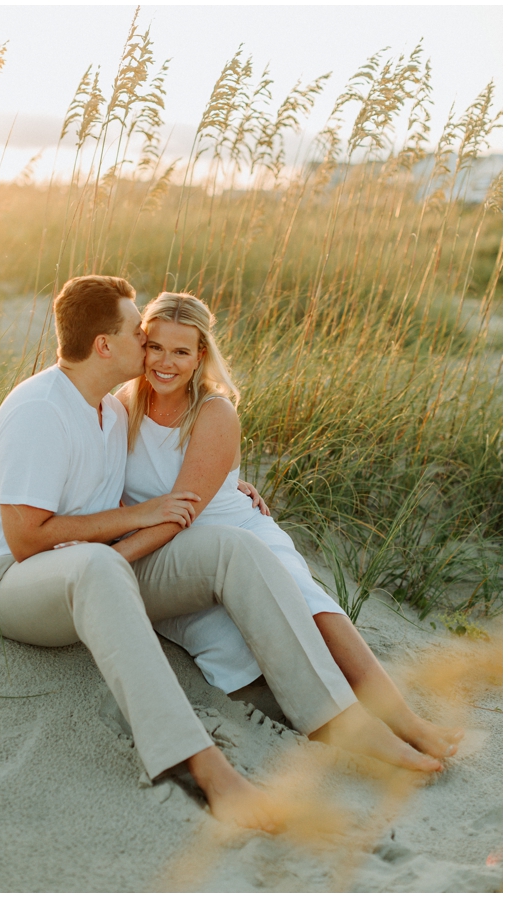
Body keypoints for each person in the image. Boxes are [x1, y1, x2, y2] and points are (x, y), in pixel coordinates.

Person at [0, 275, 443, 832]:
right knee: (97, 565)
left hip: (100, 572)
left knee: (232, 547)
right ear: (104, 345)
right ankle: (207, 768)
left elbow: (155, 475)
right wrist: (136, 517)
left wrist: (228, 484)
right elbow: (24, 537)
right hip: (12, 586)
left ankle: (338, 718)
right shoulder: (39, 409)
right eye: (137, 331)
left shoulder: (114, 411)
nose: (147, 343)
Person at [116, 291, 463, 759]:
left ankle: (404, 720)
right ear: (141, 345)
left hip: (231, 530)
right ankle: (332, 724)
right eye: (156, 346)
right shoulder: (124, 404)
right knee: (227, 640)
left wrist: (113, 561)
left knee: (302, 599)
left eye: (181, 351)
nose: (165, 362)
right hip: (178, 549)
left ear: (201, 355)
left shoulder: (214, 410)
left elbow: (185, 510)